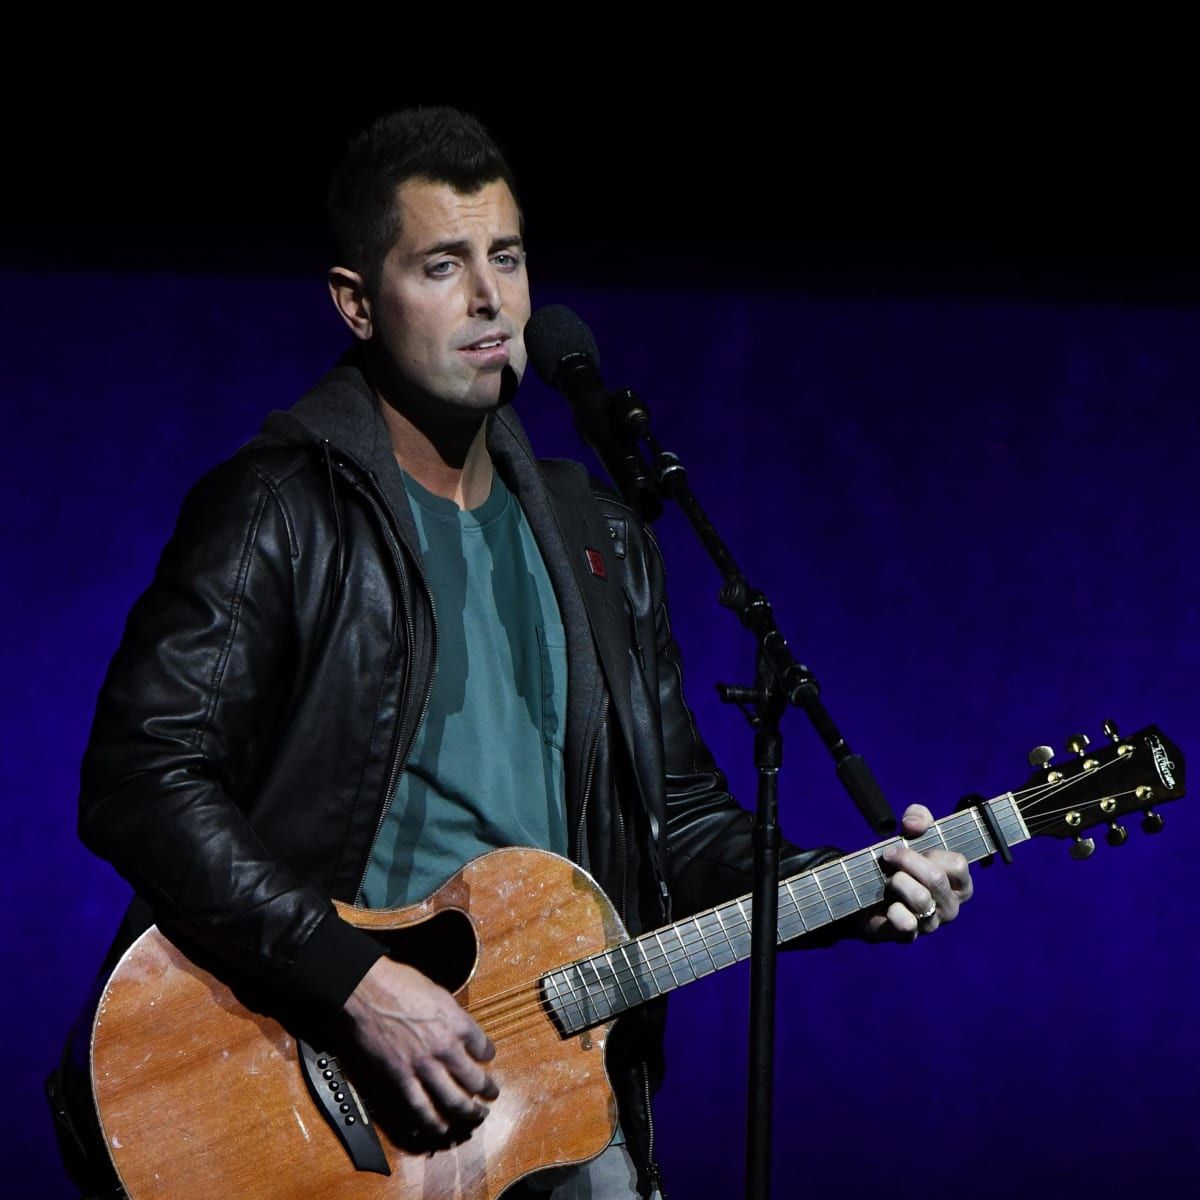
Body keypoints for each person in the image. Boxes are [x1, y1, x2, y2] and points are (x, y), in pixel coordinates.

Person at [47, 106, 973, 1199]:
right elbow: (140, 779)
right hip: (306, 1085)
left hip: (541, 1100)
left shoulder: (599, 537)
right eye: (443, 265)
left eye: (508, 258)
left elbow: (674, 823)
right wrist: (355, 981)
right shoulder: (281, 509)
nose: (491, 300)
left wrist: (843, 892)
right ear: (356, 302)